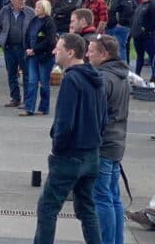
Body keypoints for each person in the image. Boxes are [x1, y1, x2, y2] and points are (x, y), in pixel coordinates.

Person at [33, 33, 107, 244]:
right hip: (91, 154)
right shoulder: (95, 77)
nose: (55, 51)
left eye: (59, 48)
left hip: (70, 156)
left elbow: (65, 122)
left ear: (71, 52)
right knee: (87, 209)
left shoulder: (72, 79)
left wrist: (57, 149)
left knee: (47, 208)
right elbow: (104, 119)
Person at [86, 35, 129, 244]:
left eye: (91, 51)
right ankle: (115, 240)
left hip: (103, 145)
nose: (87, 54)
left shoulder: (103, 78)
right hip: (116, 142)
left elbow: (95, 115)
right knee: (113, 196)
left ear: (104, 54)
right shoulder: (120, 75)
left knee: (101, 197)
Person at [0, 0, 36, 108]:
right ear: (12, 1)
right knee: (11, 73)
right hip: (9, 47)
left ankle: (27, 100)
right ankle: (15, 98)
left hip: (24, 48)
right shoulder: (4, 10)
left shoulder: (30, 12)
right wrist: (0, 40)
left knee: (27, 74)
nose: (24, 1)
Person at [21, 0, 57, 116]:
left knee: (44, 83)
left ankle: (43, 107)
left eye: (38, 7)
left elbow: (49, 40)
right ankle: (29, 107)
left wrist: (35, 50)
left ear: (44, 9)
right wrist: (27, 48)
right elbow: (27, 35)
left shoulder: (49, 22)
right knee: (32, 82)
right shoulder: (34, 20)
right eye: (36, 7)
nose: (36, 9)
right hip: (32, 56)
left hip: (44, 56)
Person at [106, 0, 134, 64]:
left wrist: (120, 23)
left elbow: (128, 10)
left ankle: (123, 70)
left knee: (120, 49)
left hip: (120, 27)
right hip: (111, 26)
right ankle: (115, 69)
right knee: (112, 50)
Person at [131, 0, 155, 77]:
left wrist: (146, 29)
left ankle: (153, 77)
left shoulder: (152, 5)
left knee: (152, 57)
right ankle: (137, 75)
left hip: (148, 37)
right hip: (137, 36)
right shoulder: (140, 5)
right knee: (139, 57)